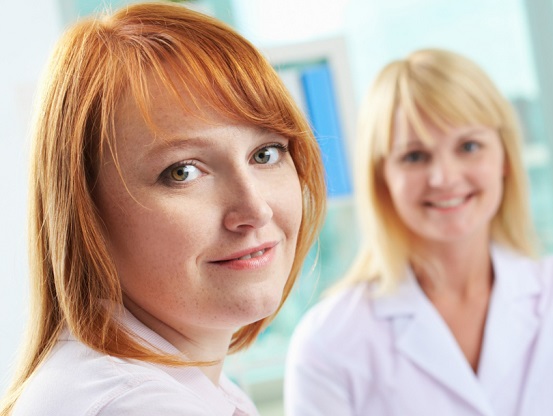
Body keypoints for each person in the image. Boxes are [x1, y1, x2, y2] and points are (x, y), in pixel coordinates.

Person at [284, 48, 553, 415]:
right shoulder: (328, 341)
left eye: (469, 147)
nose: (444, 177)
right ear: (382, 178)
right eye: (415, 156)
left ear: (505, 157)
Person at [1, 3, 326, 415]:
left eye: (265, 154)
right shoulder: (135, 404)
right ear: (86, 212)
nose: (255, 209)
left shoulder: (165, 384)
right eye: (183, 172)